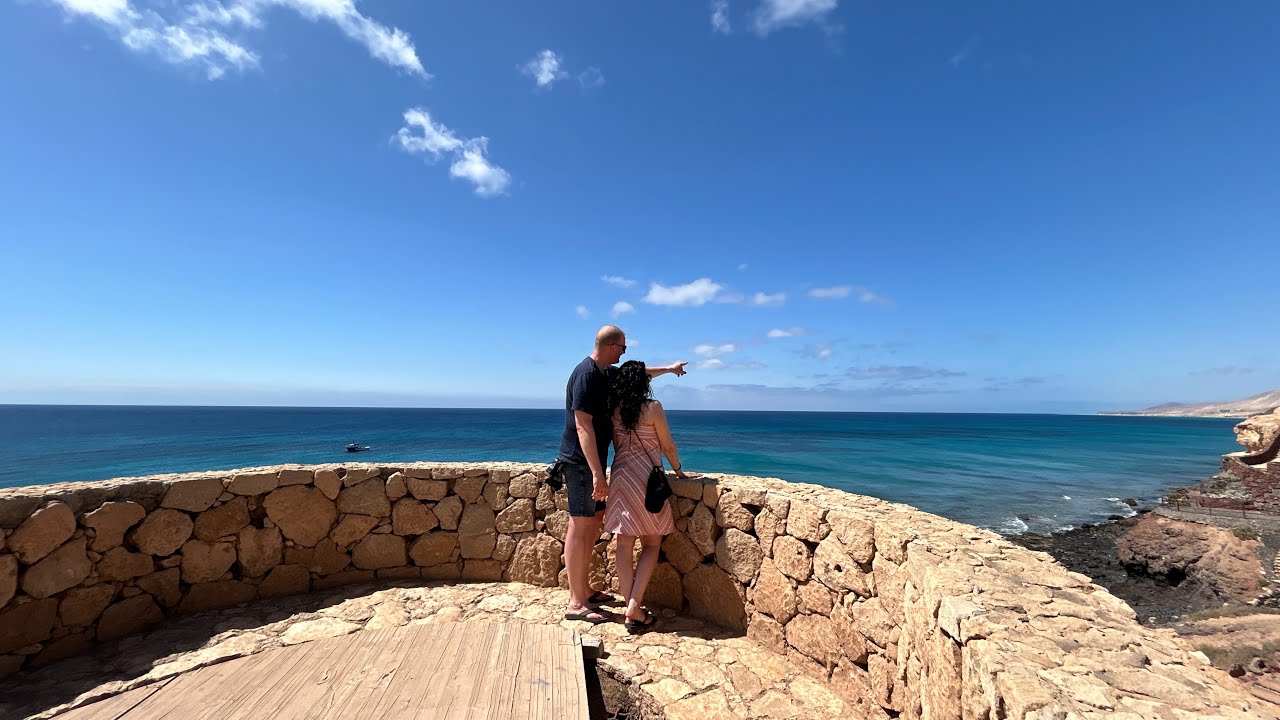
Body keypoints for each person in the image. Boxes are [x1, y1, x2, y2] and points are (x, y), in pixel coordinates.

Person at [559, 325, 686, 623]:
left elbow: (637, 375)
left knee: (591, 524)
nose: (625, 352)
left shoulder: (606, 373)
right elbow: (582, 426)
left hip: (604, 466)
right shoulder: (586, 374)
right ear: (611, 346)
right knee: (579, 526)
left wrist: (668, 369)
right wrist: (596, 473)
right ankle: (576, 602)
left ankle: (584, 590)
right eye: (624, 348)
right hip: (579, 462)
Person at [603, 360, 694, 632]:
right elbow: (666, 445)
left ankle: (630, 604)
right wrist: (679, 471)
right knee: (652, 544)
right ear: (644, 383)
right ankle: (634, 606)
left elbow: (618, 445)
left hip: (621, 476)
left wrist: (667, 368)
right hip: (646, 478)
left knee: (623, 544)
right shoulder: (652, 408)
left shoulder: (615, 410)